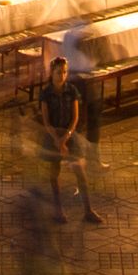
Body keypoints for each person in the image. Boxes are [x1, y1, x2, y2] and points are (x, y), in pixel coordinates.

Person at [33, 52, 98, 223]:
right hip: (53, 134)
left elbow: (75, 117)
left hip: (69, 134)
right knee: (54, 174)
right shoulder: (46, 93)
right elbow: (46, 121)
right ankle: (58, 210)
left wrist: (67, 136)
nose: (61, 75)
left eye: (64, 72)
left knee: (80, 172)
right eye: (58, 72)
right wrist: (57, 139)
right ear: (52, 73)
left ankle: (88, 210)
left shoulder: (71, 91)